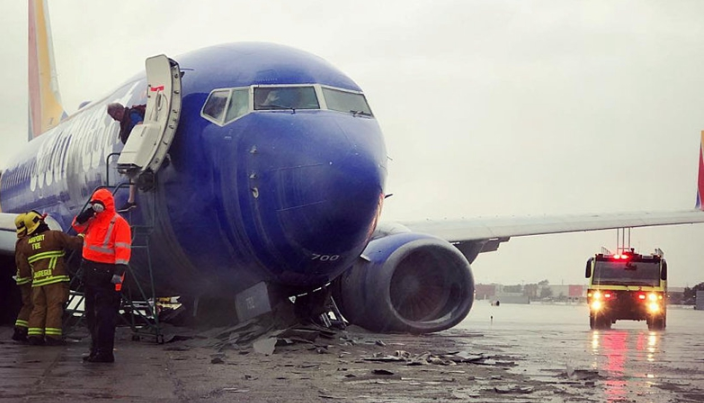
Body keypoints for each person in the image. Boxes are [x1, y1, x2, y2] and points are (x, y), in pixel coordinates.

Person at [72, 188, 132, 363]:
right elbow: (77, 226)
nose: (95, 207)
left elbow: (123, 250)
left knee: (105, 316)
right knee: (91, 314)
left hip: (107, 275)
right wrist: (86, 214)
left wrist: (119, 273)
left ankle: (105, 353)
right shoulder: (93, 220)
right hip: (90, 273)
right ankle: (95, 350)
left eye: (97, 204)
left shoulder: (118, 223)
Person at [18, 211, 83, 346]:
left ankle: (34, 335)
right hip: (55, 279)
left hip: (37, 282)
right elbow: (75, 243)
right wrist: (83, 235)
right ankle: (52, 336)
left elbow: (24, 266)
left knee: (38, 308)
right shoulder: (54, 236)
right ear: (40, 222)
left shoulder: (26, 244)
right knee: (54, 307)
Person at [107, 102, 146, 212]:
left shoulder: (132, 115)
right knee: (130, 172)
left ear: (118, 112)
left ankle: (131, 200)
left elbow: (140, 125)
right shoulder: (126, 120)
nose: (115, 120)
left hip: (142, 149)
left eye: (114, 117)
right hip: (137, 151)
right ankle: (131, 200)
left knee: (132, 171)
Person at [11, 213, 31, 342]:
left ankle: (20, 328)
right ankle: (21, 330)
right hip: (28, 279)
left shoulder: (20, 242)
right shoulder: (26, 242)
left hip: (22, 279)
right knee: (31, 304)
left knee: (27, 304)